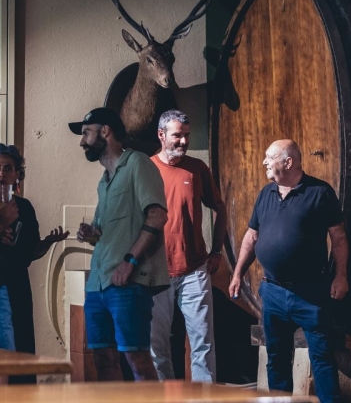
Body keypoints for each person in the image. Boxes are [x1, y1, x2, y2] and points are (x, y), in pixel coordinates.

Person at [229, 139, 351, 403]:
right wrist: (238, 273)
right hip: (273, 291)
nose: (264, 162)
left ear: (288, 162)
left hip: (311, 292)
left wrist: (341, 276)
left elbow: (338, 238)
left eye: (269, 157)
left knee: (321, 355)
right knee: (276, 356)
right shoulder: (266, 194)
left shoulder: (319, 192)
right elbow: (251, 237)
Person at [70, 107, 169, 382]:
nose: (82, 141)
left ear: (105, 131)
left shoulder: (137, 163)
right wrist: (92, 234)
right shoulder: (104, 181)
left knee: (136, 358)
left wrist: (130, 262)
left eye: (86, 133)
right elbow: (108, 233)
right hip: (98, 284)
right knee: (102, 359)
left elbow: (157, 215)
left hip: (128, 282)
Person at [150, 110, 227, 382]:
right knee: (156, 346)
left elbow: (220, 207)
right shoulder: (145, 170)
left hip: (194, 269)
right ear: (162, 135)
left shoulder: (197, 169)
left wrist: (217, 250)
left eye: (186, 135)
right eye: (177, 135)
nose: (183, 141)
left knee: (203, 343)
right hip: (156, 272)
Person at [0, 145, 69, 368]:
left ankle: (19, 400)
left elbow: (30, 252)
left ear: (17, 174)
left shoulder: (25, 208)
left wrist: (48, 243)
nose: (1, 174)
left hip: (17, 288)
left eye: (8, 168)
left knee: (19, 350)